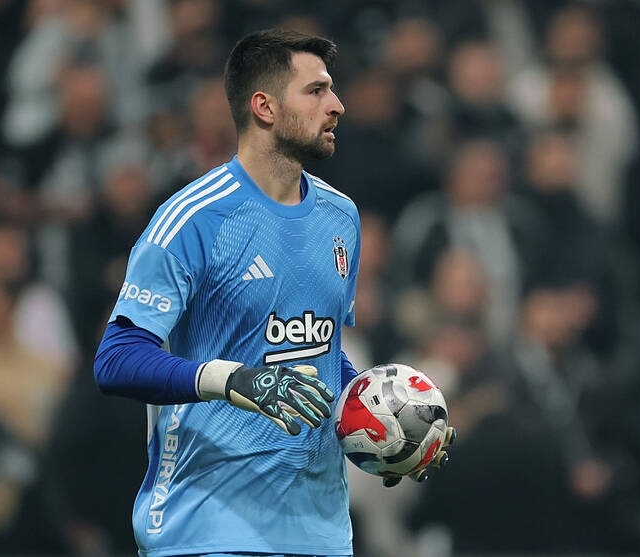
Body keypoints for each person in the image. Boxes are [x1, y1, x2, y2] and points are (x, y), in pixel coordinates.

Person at [93, 28, 451, 557]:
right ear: (264, 107)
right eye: (317, 91)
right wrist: (234, 379)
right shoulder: (193, 219)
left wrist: (388, 420)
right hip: (207, 526)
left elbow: (321, 354)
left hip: (321, 532)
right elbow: (116, 359)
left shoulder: (341, 217)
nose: (337, 105)